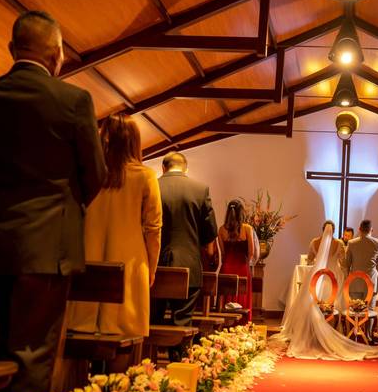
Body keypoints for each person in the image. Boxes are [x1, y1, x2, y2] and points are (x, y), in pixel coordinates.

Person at [0, 10, 105, 392]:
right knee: (32, 354)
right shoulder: (73, 100)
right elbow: (95, 174)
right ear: (58, 54)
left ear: (11, 48)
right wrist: (63, 210)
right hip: (47, 249)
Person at [67, 115, 162, 338]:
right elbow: (153, 228)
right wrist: (152, 267)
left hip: (86, 262)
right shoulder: (146, 176)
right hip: (129, 266)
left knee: (80, 330)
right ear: (135, 142)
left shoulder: (88, 173)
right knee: (124, 335)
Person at [277, 221, 378, 360]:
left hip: (323, 279)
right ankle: (364, 336)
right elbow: (347, 263)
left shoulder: (322, 242)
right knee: (364, 308)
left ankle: (313, 333)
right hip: (348, 279)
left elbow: (315, 259)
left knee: (315, 304)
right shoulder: (347, 243)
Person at [155, 152, 217, 329]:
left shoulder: (153, 186)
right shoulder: (200, 189)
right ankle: (179, 355)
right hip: (188, 265)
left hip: (155, 263)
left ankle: (147, 356)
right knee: (182, 322)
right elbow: (210, 232)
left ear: (163, 168)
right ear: (186, 168)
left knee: (152, 318)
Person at [344, 220, 378, 339]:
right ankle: (367, 335)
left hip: (355, 282)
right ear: (371, 230)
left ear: (359, 229)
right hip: (371, 282)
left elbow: (346, 264)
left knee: (355, 310)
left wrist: (346, 280)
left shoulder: (352, 243)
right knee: (369, 310)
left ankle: (354, 334)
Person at [218, 199, 254, 318]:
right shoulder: (247, 229)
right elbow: (251, 252)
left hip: (227, 267)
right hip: (242, 268)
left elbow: (223, 253)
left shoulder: (221, 230)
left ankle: (224, 326)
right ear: (241, 212)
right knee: (242, 298)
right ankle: (241, 324)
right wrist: (246, 263)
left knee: (226, 299)